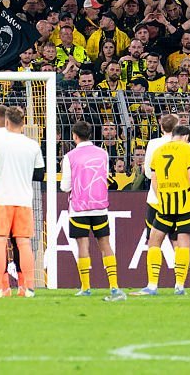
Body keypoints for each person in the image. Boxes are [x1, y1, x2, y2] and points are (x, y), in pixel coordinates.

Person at [0, 103, 44, 298]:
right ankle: (28, 287)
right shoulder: (32, 145)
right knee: (23, 243)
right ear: (23, 123)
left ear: (6, 122)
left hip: (1, 199)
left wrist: (2, 173)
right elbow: (39, 174)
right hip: (24, 200)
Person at [63, 121, 123, 299]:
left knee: (83, 245)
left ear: (74, 136)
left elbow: (65, 186)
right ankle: (114, 286)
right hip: (99, 206)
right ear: (90, 134)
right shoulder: (103, 153)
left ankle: (86, 287)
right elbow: (104, 176)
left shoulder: (69, 156)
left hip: (79, 207)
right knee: (105, 244)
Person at [140, 121, 190, 295]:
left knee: (154, 241)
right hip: (184, 202)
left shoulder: (158, 150)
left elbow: (154, 179)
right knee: (183, 243)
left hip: (165, 203)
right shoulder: (189, 149)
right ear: (186, 137)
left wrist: (161, 197)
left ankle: (152, 285)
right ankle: (179, 286)